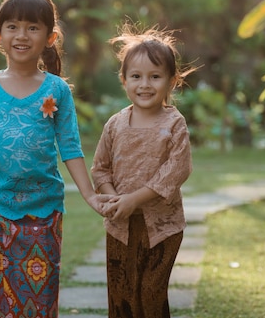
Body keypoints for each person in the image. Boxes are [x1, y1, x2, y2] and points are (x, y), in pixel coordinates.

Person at [0, 0, 108, 318]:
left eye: (32, 27)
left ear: (50, 36)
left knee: (40, 293)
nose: (21, 35)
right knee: (1, 290)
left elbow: (70, 147)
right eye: (13, 26)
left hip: (45, 209)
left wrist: (90, 195)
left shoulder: (56, 90)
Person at [91, 23, 197, 318]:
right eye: (136, 76)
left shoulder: (174, 123)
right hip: (120, 227)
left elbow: (177, 169)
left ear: (172, 81)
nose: (145, 85)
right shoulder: (115, 124)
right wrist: (114, 199)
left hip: (162, 226)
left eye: (155, 76)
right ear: (123, 80)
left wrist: (133, 199)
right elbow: (100, 168)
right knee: (121, 295)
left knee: (150, 294)